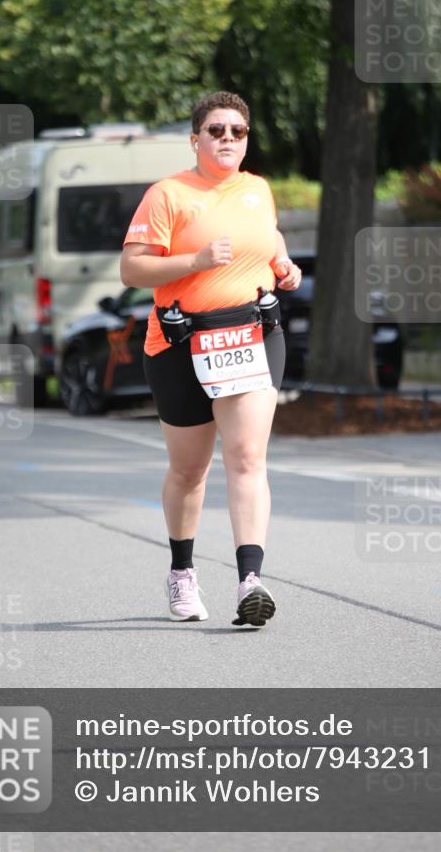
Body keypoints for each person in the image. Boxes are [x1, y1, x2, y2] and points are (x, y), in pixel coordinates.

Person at [120, 91, 301, 627]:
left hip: (249, 337)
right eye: (217, 130)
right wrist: (194, 260)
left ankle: (251, 580)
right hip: (180, 344)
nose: (227, 139)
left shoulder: (257, 190)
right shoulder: (168, 195)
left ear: (247, 141)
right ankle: (182, 573)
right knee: (189, 469)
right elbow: (132, 269)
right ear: (195, 138)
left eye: (237, 132)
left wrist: (284, 264)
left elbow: (269, 240)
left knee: (246, 459)